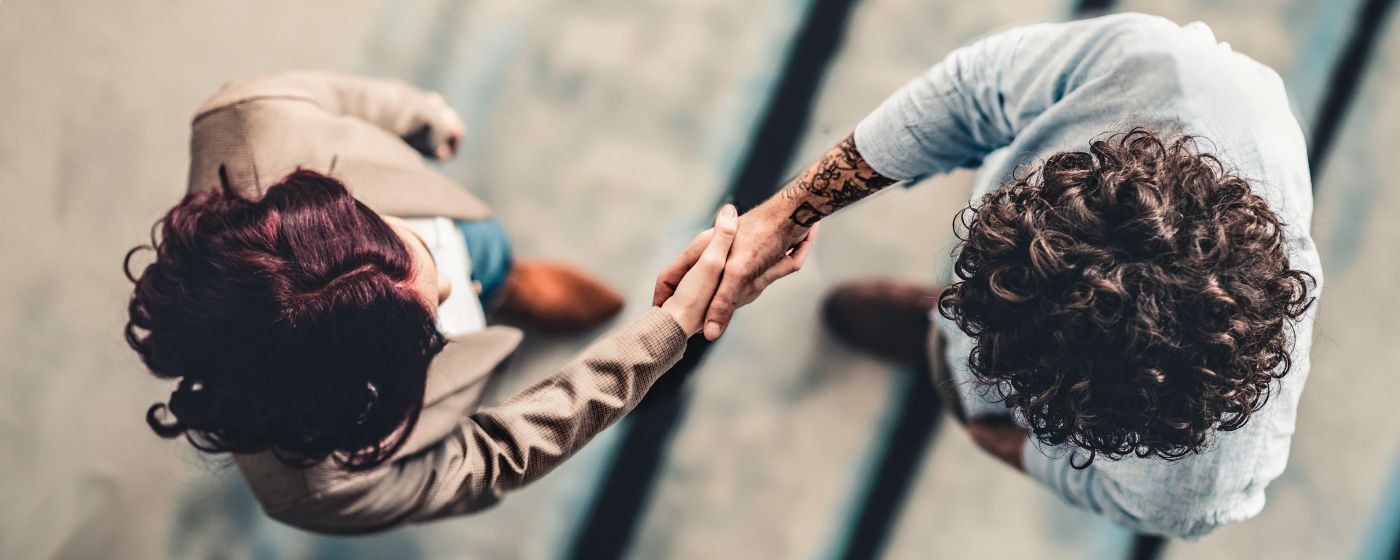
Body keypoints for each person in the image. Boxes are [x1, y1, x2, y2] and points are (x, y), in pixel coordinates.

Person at [655, 13, 1320, 539]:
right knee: (968, 329)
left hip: (1042, 401)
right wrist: (784, 215)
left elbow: (1105, 488)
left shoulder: (1200, 486)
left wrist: (995, 436)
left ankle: (946, 353)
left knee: (964, 375)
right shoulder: (1161, 72)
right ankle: (946, 326)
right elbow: (972, 93)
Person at [123, 71, 782, 534]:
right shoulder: (322, 490)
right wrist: (666, 333)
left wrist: (418, 113)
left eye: (410, 254)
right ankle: (508, 289)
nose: (445, 287)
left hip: (446, 229)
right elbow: (497, 453)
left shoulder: (248, 118)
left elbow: (330, 94)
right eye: (427, 322)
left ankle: (513, 285)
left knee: (486, 258)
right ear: (347, 398)